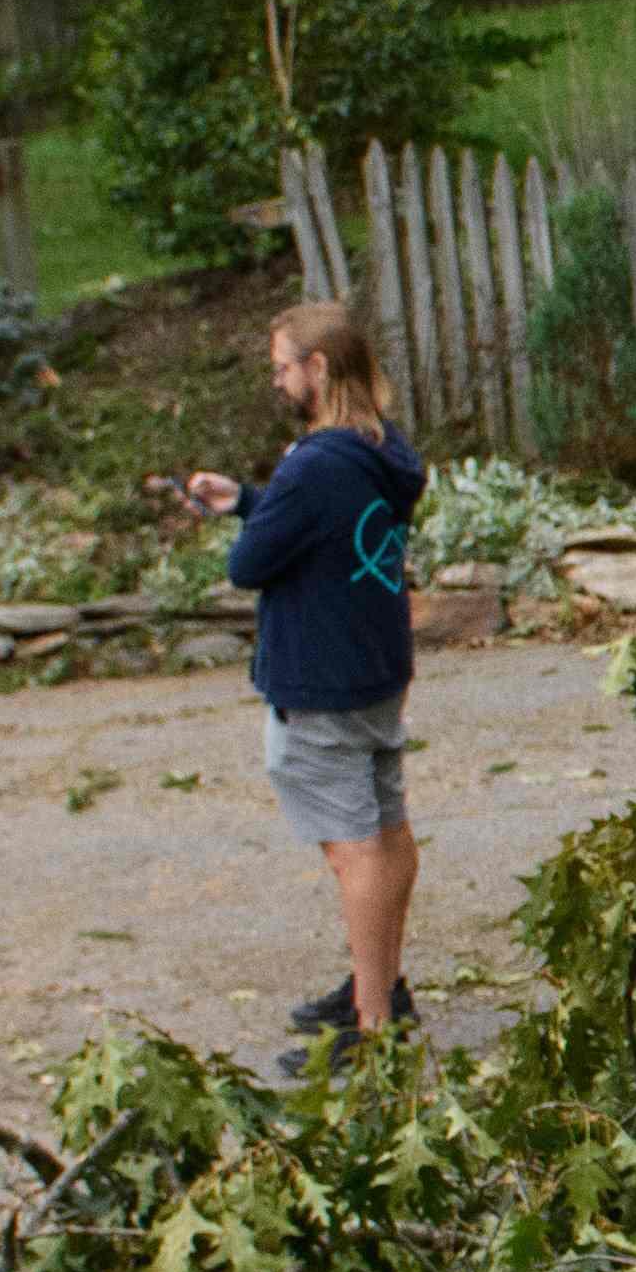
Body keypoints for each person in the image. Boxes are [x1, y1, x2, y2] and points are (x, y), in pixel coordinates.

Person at [170, 296, 430, 1043]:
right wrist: (250, 499)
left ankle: (372, 1024)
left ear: (318, 369)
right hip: (375, 670)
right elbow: (333, 531)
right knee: (384, 833)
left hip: (321, 682)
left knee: (355, 852)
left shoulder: (313, 464)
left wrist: (268, 500)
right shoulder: (380, 448)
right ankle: (381, 983)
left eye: (282, 367)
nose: (276, 381)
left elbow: (249, 566)